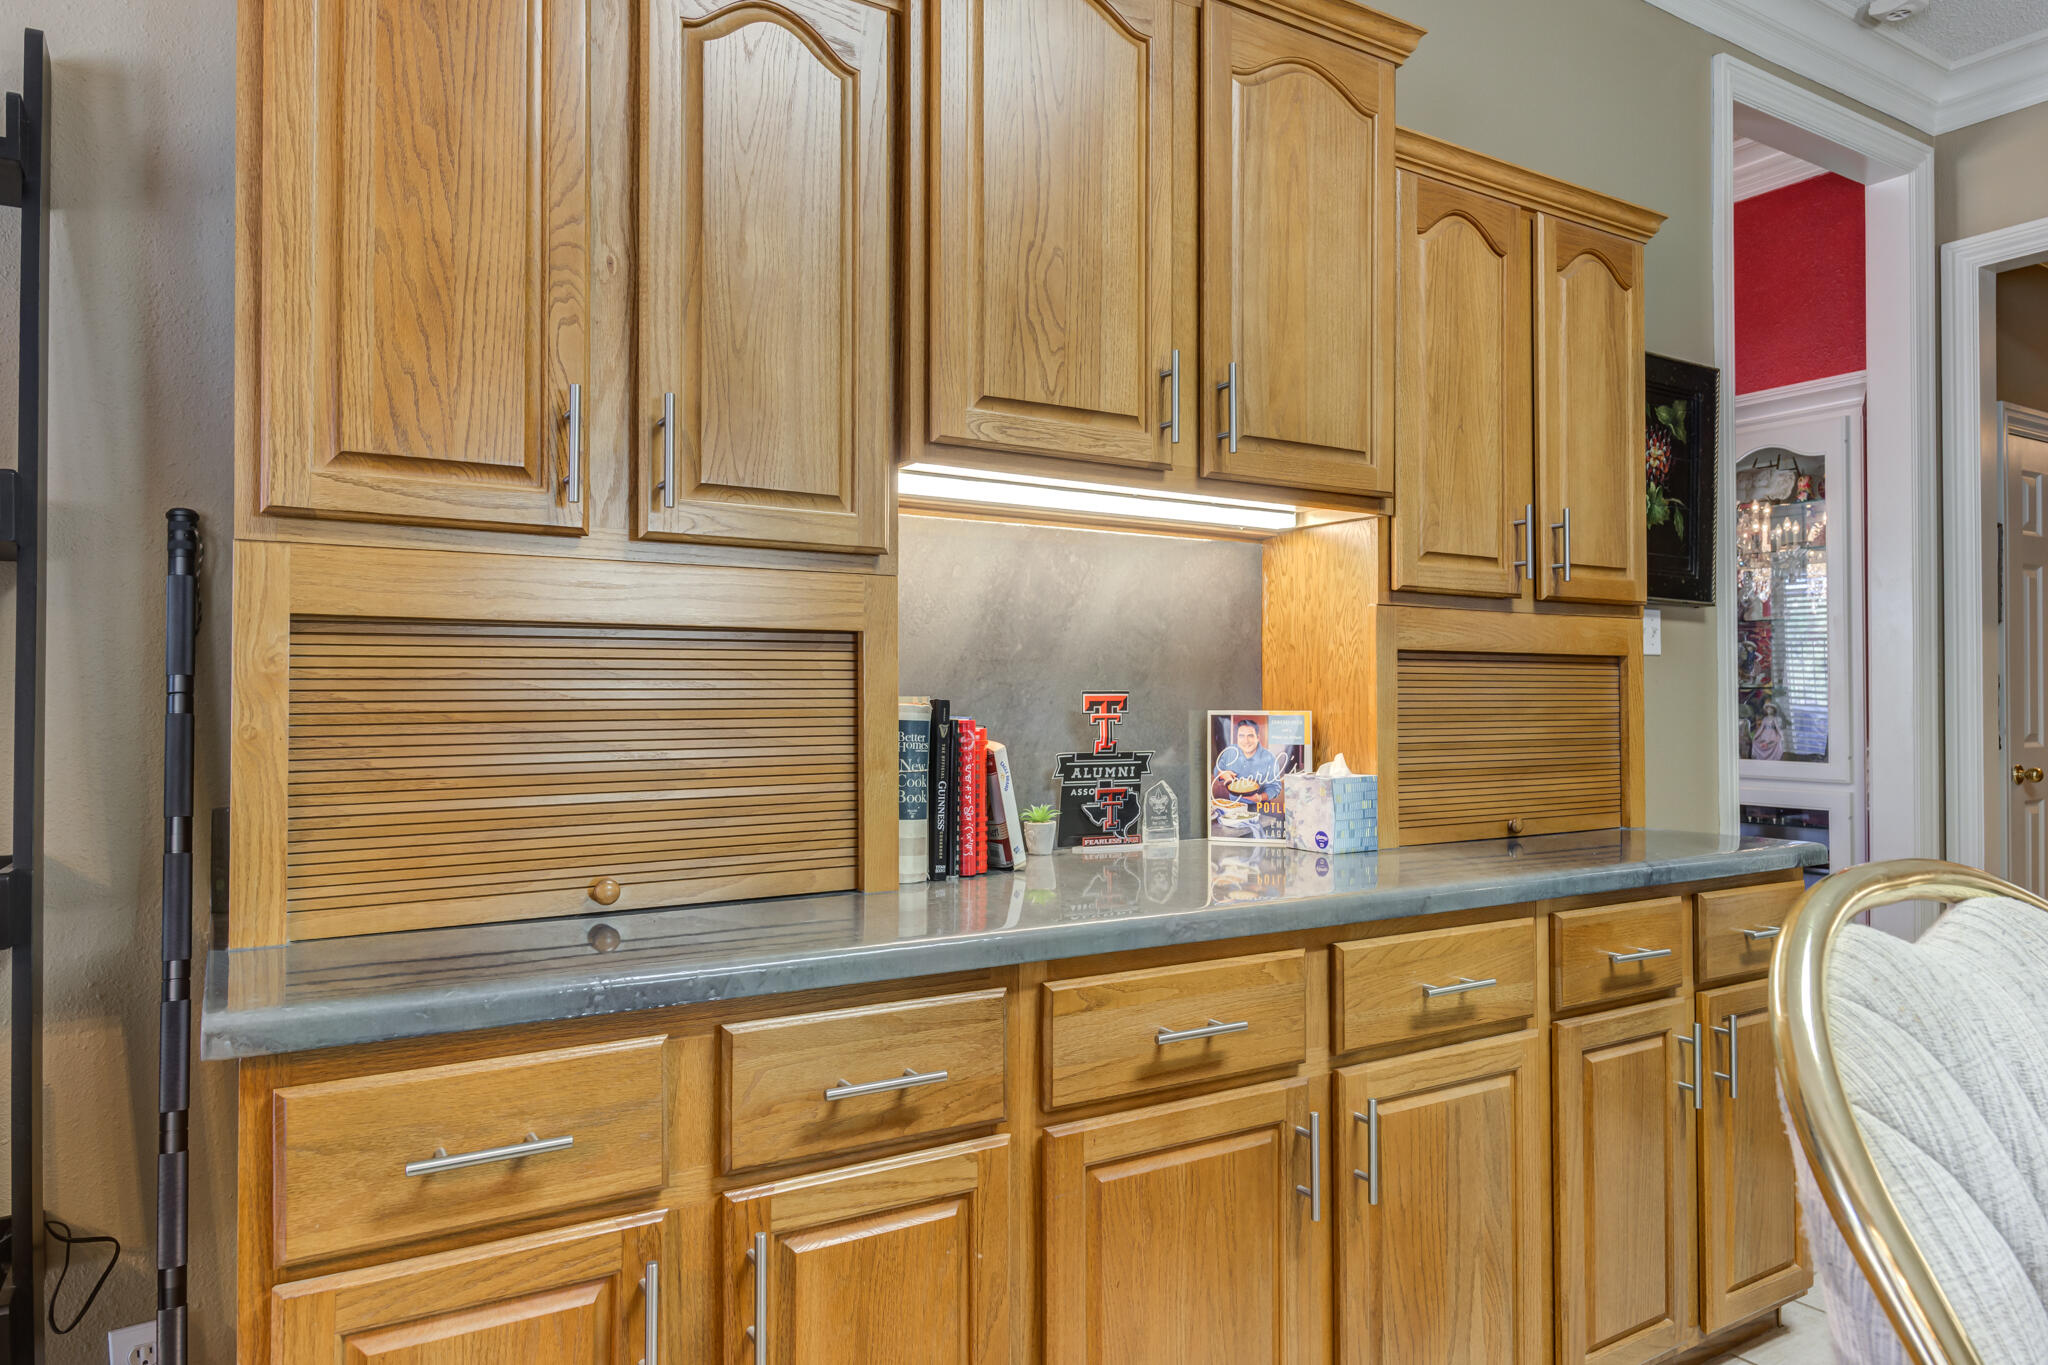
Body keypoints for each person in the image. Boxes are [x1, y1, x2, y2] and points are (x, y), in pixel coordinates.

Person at [1213, 717, 1283, 800]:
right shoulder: (1230, 751)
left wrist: (1260, 797)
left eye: (1250, 736)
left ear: (1258, 738)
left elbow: (1275, 787)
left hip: (1259, 806)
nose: (1246, 741)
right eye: (1241, 736)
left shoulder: (1270, 758)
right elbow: (1217, 770)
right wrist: (1222, 774)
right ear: (1237, 738)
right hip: (1234, 805)